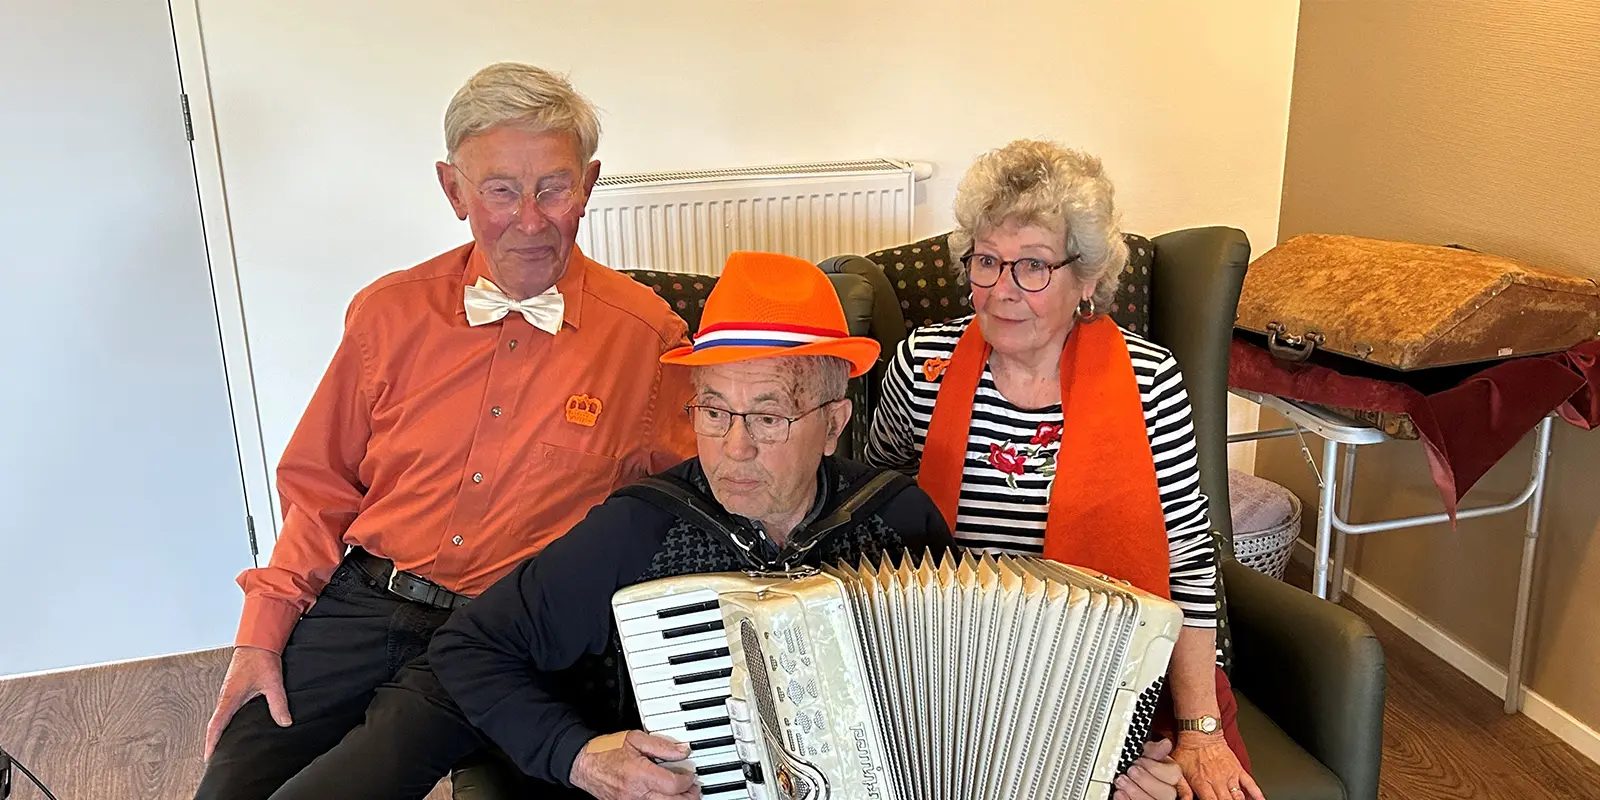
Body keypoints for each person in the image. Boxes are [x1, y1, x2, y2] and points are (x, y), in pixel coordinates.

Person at [418, 251, 1184, 800]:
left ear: (834, 424)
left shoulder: (893, 516)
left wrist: (1102, 765)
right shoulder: (639, 530)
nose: (735, 445)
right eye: (714, 412)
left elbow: (986, 700)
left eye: (770, 416)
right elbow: (470, 646)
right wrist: (581, 756)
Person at [194, 62, 696, 799]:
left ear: (587, 185)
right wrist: (262, 631)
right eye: (499, 190)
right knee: (227, 786)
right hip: (364, 597)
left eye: (553, 187)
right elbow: (322, 490)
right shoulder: (387, 313)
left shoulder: (649, 339)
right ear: (453, 189)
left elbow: (681, 511)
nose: (529, 219)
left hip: (501, 633)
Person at [864, 139, 1261, 800]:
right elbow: (873, 515)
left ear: (1086, 278)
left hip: (1123, 668)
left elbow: (1187, 559)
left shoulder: (1150, 380)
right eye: (986, 261)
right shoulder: (922, 366)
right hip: (959, 679)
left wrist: (1197, 731)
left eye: (1033, 267)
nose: (1000, 291)